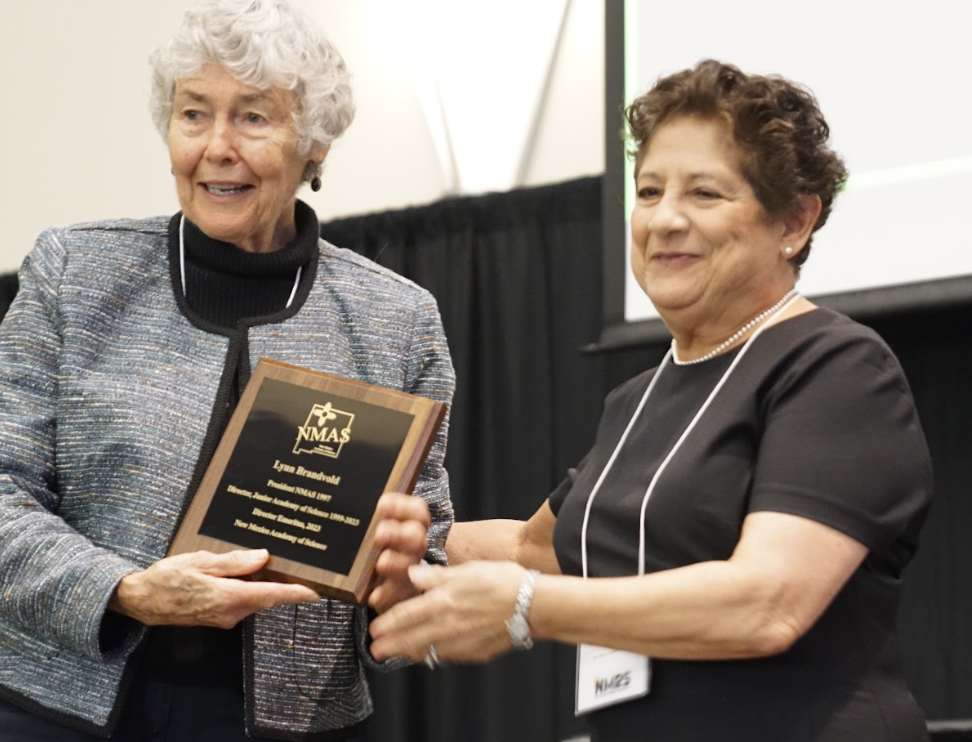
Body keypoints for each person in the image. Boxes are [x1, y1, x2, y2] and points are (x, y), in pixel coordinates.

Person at [0, 1, 454, 740]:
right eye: (194, 114)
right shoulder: (77, 273)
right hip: (48, 706)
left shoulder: (395, 321)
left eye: (254, 118)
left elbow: (422, 560)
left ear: (317, 145)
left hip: (285, 723)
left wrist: (398, 586)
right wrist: (125, 589)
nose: (216, 146)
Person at [369, 59, 932, 741]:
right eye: (649, 190)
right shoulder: (638, 399)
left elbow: (767, 602)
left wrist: (527, 608)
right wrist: (388, 537)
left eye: (704, 193)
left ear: (794, 221)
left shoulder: (837, 369)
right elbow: (529, 548)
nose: (665, 219)